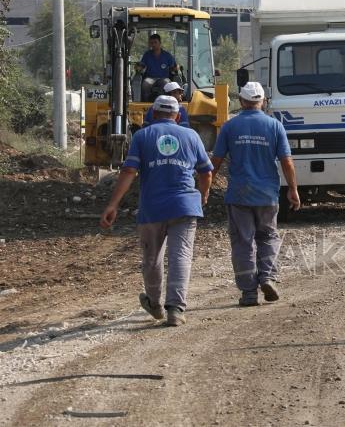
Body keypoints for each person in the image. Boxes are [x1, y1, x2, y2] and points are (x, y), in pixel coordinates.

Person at [100, 95, 213, 326]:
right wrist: (203, 195)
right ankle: (176, 309)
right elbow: (206, 173)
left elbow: (129, 172)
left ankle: (154, 303)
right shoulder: (192, 136)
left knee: (152, 258)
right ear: (178, 115)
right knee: (181, 255)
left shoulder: (142, 136)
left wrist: (113, 205)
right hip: (185, 205)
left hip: (153, 208)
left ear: (153, 113)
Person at [211, 82, 301, 307]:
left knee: (243, 242)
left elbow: (216, 161)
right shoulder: (274, 126)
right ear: (262, 101)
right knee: (268, 237)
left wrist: (203, 187)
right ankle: (267, 277)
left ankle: (249, 293)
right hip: (267, 193)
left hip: (239, 194)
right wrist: (293, 189)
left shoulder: (230, 127)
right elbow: (287, 161)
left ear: (241, 101)